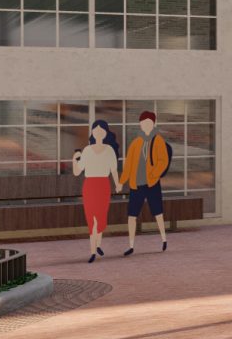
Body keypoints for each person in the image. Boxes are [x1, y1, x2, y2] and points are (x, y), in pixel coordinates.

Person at [117, 110, 174, 256]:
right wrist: (122, 181)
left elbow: (163, 161)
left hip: (152, 184)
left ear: (153, 124)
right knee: (132, 214)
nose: (146, 125)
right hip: (137, 184)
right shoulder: (136, 143)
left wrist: (153, 175)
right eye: (143, 123)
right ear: (140, 124)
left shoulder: (158, 140)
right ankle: (130, 245)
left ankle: (163, 239)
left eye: (149, 122)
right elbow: (129, 164)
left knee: (158, 212)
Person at [71, 119, 120, 264]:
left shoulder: (109, 150)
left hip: (103, 185)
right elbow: (77, 172)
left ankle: (98, 244)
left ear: (106, 132)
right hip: (90, 186)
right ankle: (93, 251)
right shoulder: (86, 150)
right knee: (91, 218)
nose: (98, 132)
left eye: (101, 130)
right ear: (92, 132)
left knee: (101, 217)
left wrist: (117, 184)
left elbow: (114, 170)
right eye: (96, 129)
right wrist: (74, 160)